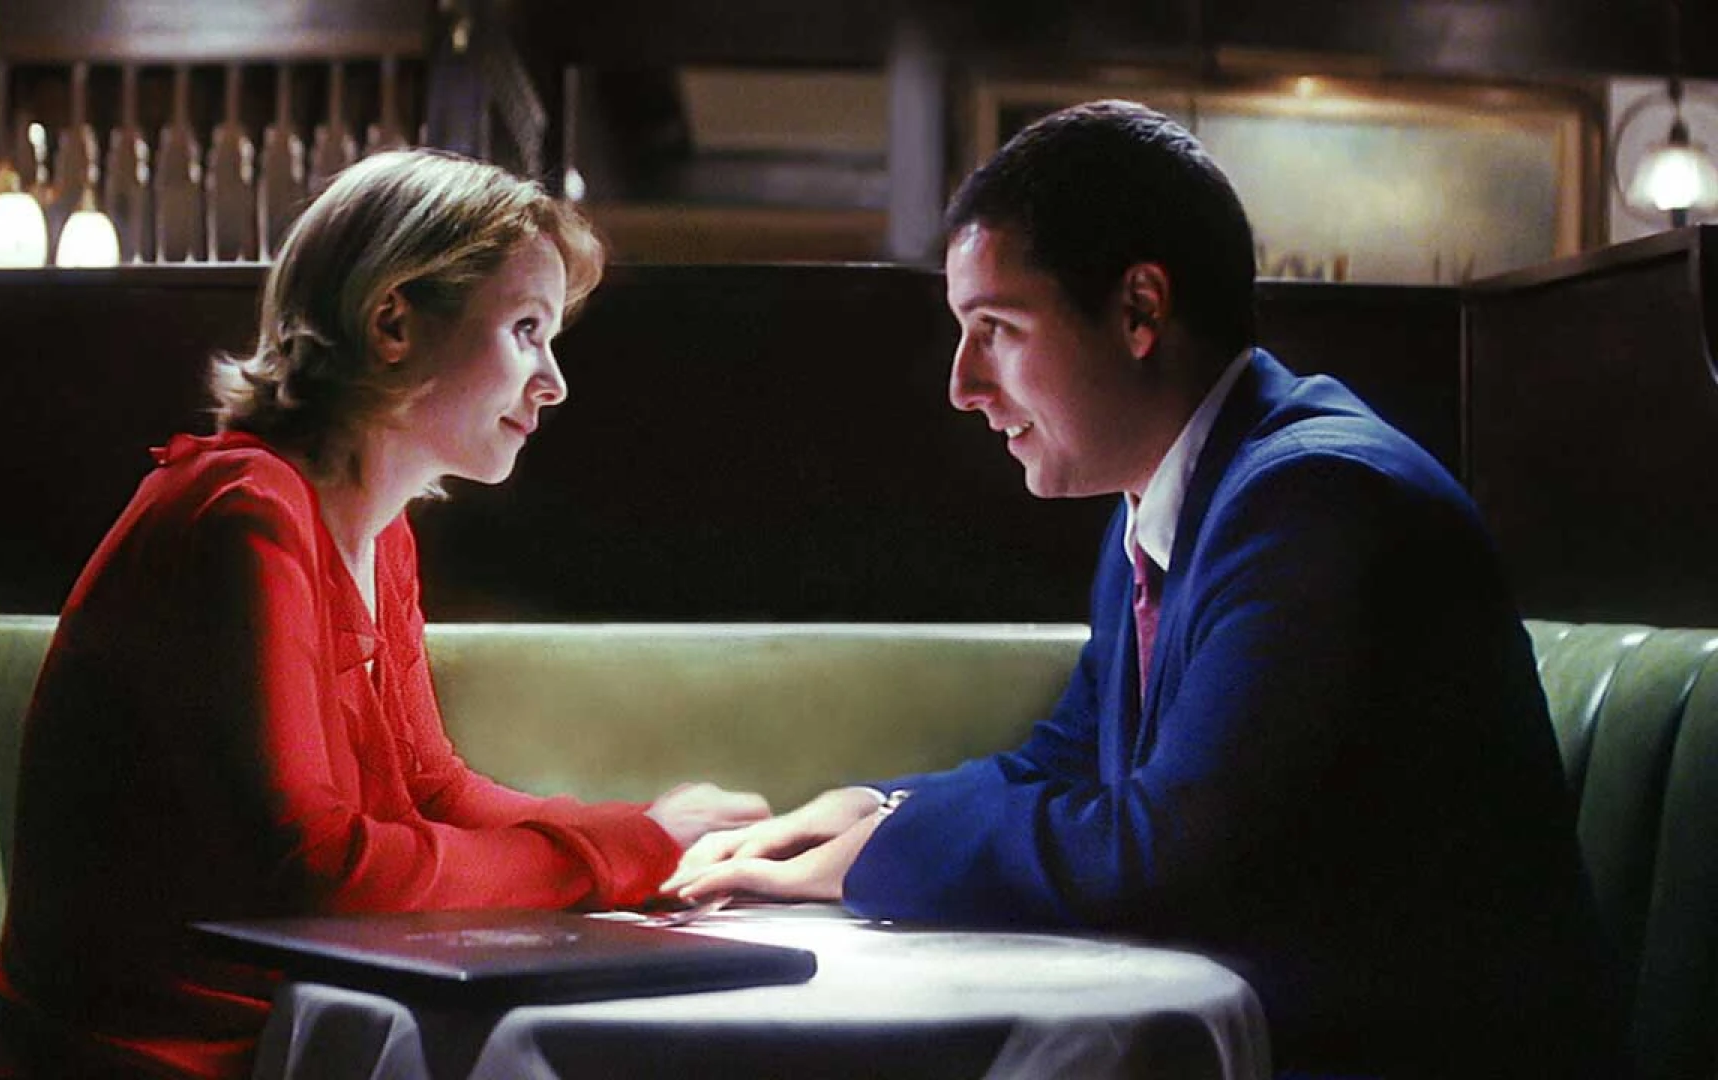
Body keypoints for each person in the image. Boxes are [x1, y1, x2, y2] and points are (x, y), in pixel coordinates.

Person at [665, 101, 1620, 1078]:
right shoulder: (1178, 495)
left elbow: (1168, 855)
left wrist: (875, 856)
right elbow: (1073, 757)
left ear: (1139, 311)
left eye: (996, 328)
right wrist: (868, 806)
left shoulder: (1317, 500)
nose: (963, 384)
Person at [0, 149, 769, 1079]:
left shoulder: (378, 533)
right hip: (149, 1060)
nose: (553, 381)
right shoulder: (243, 511)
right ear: (392, 322)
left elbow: (433, 788)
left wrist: (652, 841)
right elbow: (318, 869)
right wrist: (621, 851)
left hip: (290, 1034)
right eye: (525, 329)